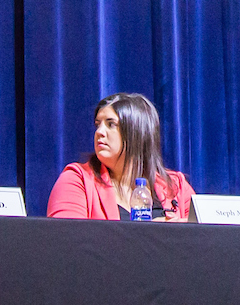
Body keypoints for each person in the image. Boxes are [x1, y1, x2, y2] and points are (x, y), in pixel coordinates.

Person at [45, 92, 196, 220]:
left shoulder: (175, 186)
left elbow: (203, 239)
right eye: (98, 124)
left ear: (137, 133)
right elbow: (66, 242)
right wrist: (154, 235)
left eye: (111, 124)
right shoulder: (78, 180)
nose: (99, 132)